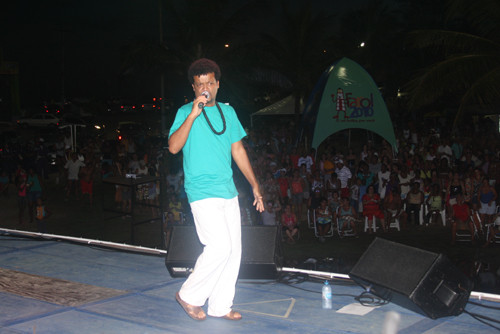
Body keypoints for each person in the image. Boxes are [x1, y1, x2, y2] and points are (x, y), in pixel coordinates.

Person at [168, 58, 264, 321]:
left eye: (210, 82)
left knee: (233, 251)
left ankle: (220, 306)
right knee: (219, 246)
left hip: (227, 190)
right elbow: (174, 147)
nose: (205, 87)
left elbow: (238, 150)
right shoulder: (184, 112)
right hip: (201, 191)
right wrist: (192, 115)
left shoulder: (228, 113)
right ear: (194, 88)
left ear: (218, 84)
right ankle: (189, 295)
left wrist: (255, 185)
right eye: (200, 84)